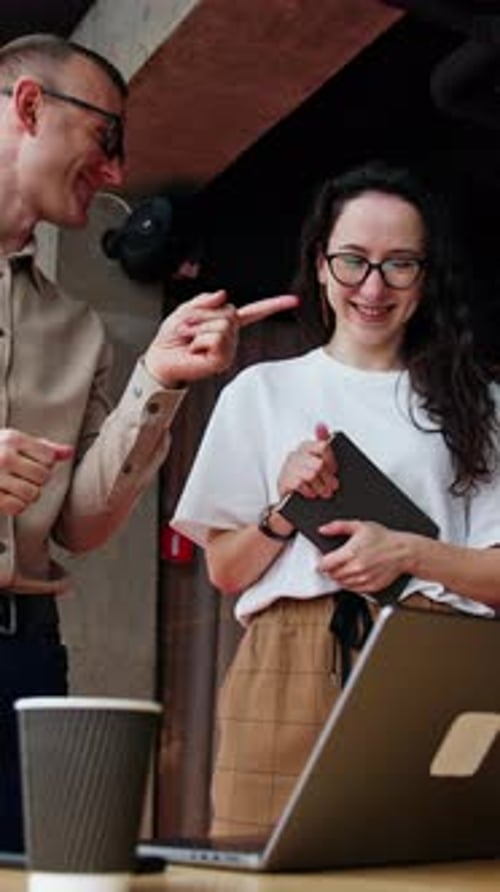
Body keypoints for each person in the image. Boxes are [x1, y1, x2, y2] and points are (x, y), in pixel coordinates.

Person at [0, 33, 297, 851]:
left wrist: (158, 380)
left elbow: (81, 527)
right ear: (30, 106)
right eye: (107, 137)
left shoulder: (76, 327)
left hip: (23, 658)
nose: (116, 172)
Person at [172, 158, 500, 838]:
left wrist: (409, 553)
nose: (373, 287)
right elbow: (225, 570)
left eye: (400, 264)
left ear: (427, 275)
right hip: (284, 659)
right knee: (262, 863)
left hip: (428, 652)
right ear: (321, 265)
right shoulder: (261, 391)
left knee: (428, 868)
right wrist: (285, 508)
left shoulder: (480, 404)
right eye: (353, 260)